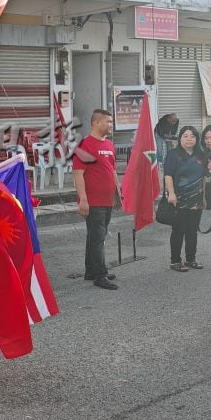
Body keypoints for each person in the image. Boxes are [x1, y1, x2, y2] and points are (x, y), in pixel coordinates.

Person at [72, 109, 120, 290]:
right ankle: (100, 275)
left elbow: (112, 171)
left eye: (111, 121)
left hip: (107, 199)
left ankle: (91, 270)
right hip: (93, 201)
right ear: (96, 123)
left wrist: (117, 193)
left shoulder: (109, 144)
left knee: (94, 236)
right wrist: (83, 199)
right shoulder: (85, 145)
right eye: (108, 121)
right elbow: (78, 174)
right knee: (98, 237)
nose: (111, 125)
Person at [164, 126, 207, 272]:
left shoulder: (201, 155)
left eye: (192, 136)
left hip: (197, 199)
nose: (189, 139)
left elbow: (204, 178)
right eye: (185, 136)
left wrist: (204, 197)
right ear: (180, 138)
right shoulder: (174, 154)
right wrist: (171, 193)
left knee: (192, 231)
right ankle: (175, 261)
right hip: (179, 198)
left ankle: (191, 259)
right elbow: (168, 175)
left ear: (197, 139)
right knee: (178, 230)